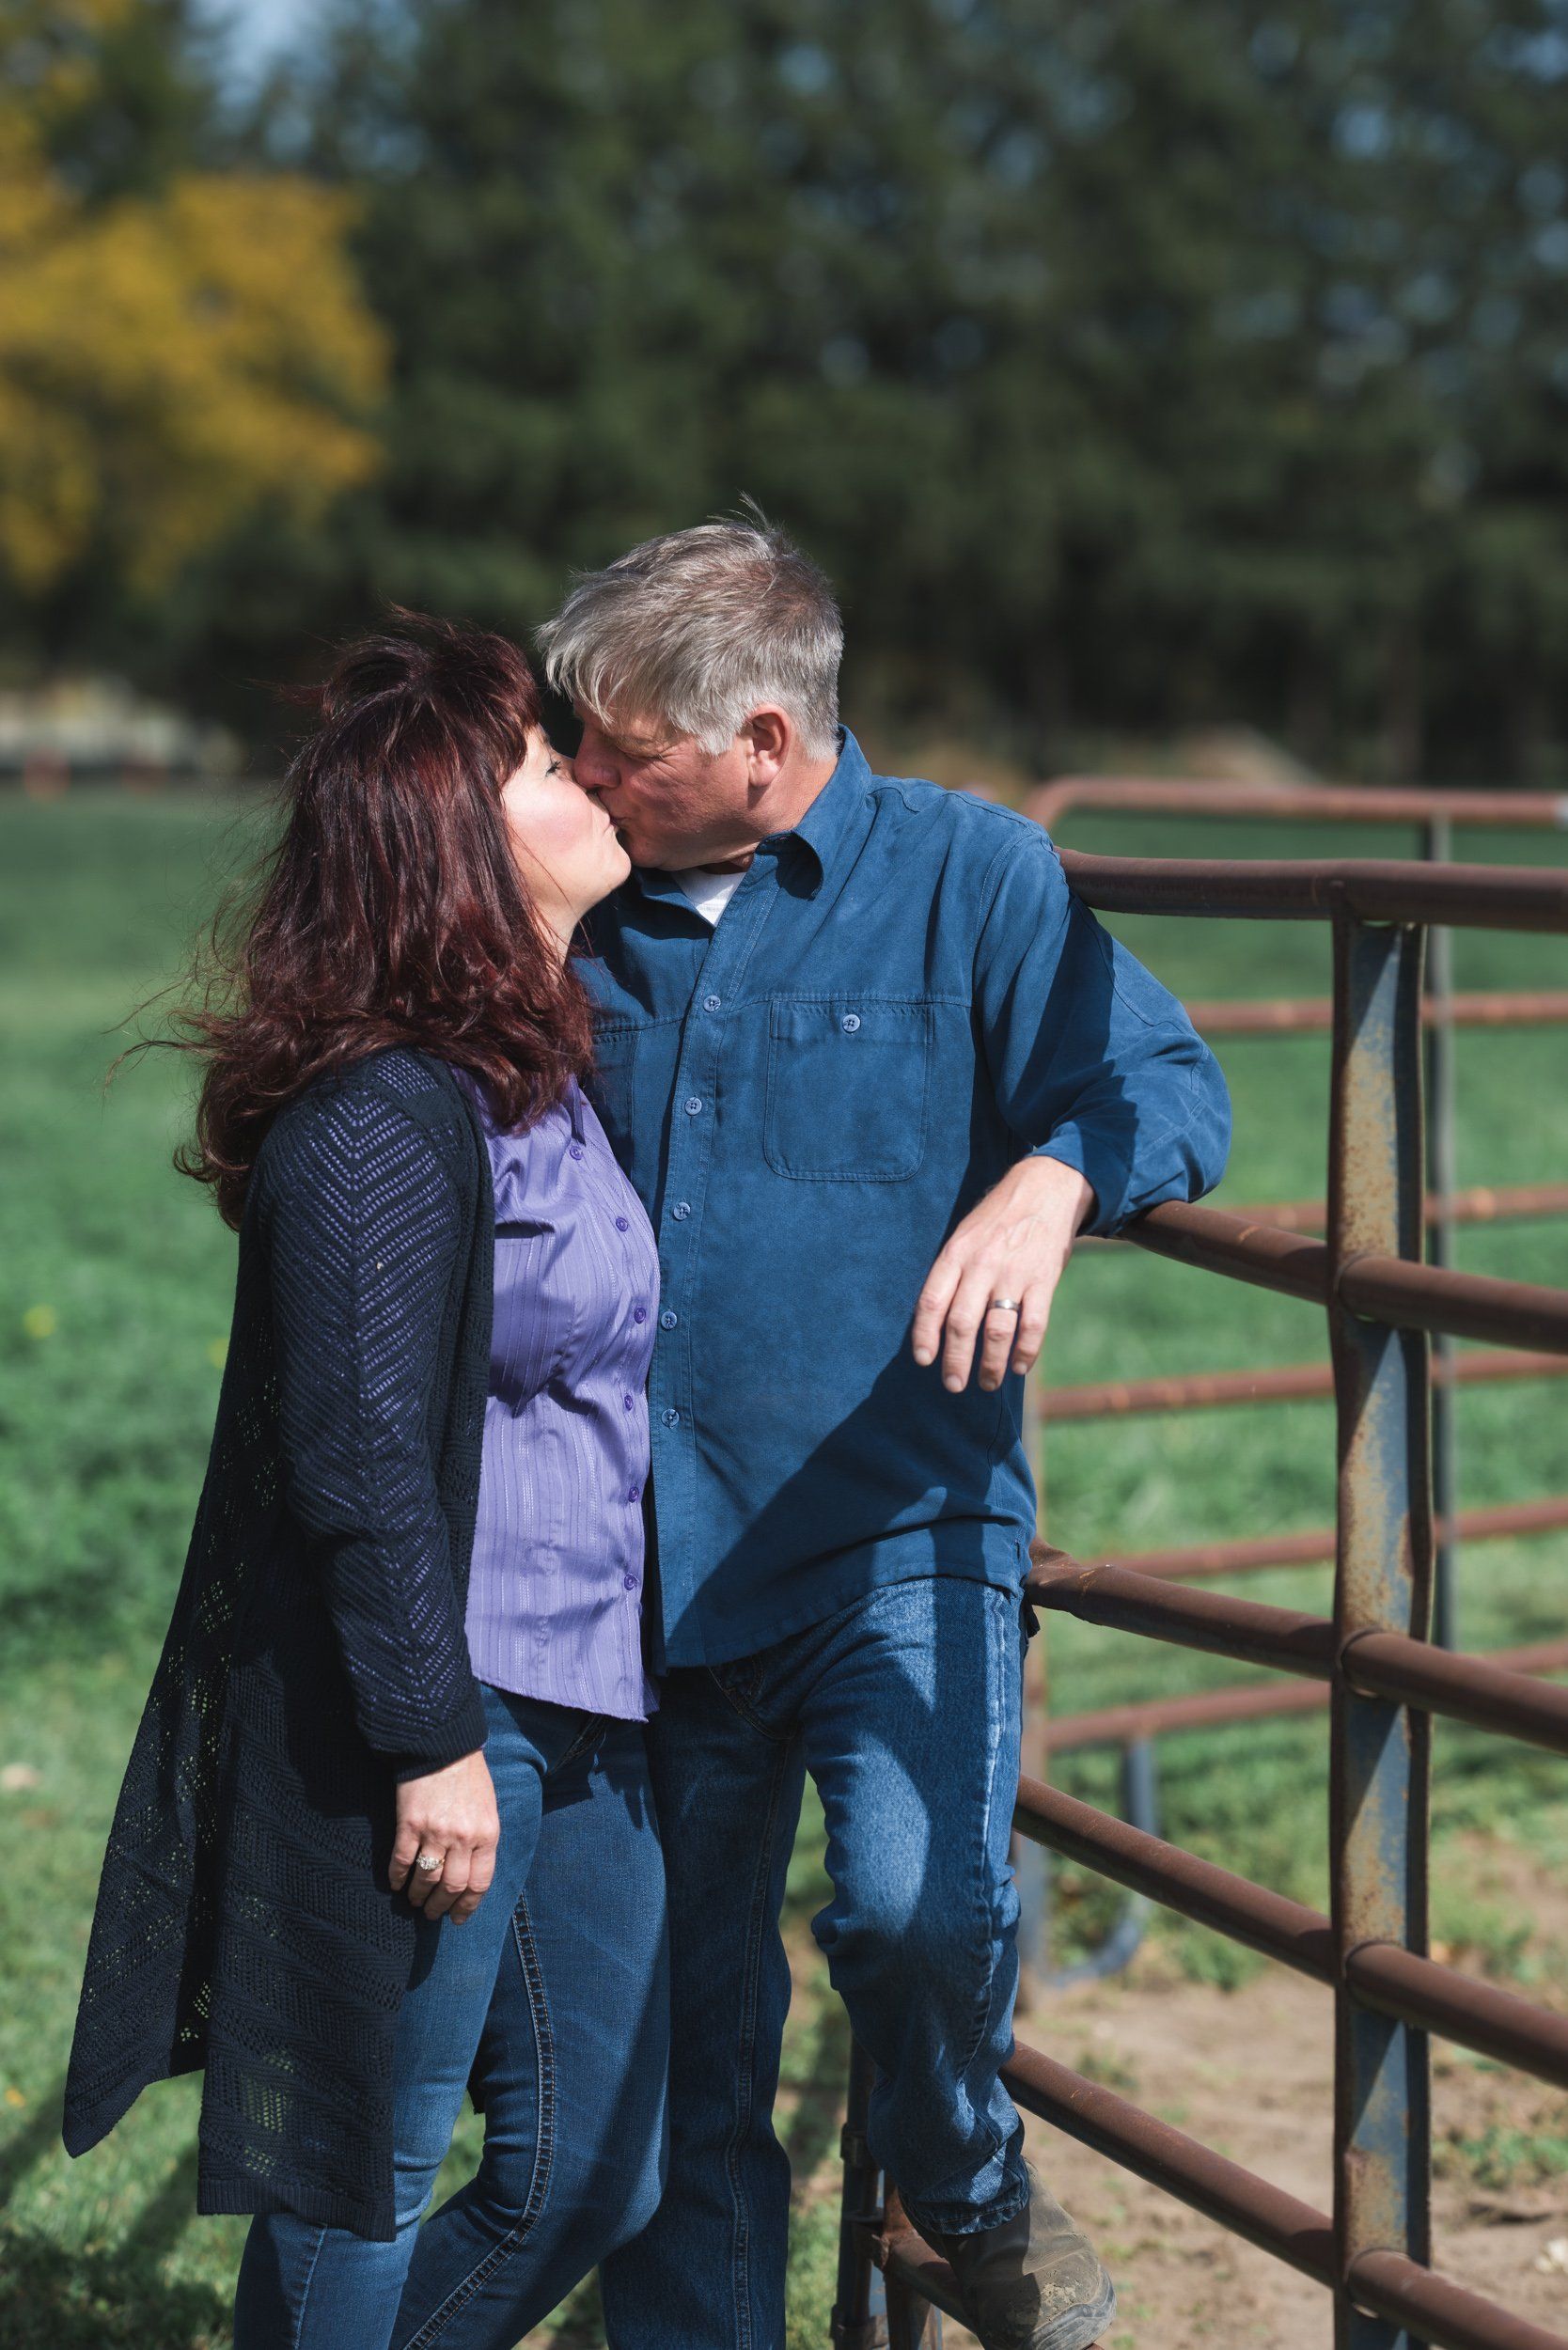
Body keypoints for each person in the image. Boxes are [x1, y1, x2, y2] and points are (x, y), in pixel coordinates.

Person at [538, 517, 1231, 2350]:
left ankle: (960, 2173)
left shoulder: (972, 875)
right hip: (631, 1557)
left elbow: (1165, 1081)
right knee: (678, 2050)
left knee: (921, 1902)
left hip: (892, 1526)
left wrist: (1054, 1178)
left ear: (764, 740)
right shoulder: (564, 902)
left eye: (627, 746)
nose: (584, 772)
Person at [61, 617, 668, 2350]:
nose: (590, 774)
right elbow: (353, 1458)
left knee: (591, 2170)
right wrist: (430, 1742)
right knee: (370, 2175)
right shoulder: (382, 1115)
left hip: (591, 1689)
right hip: (445, 1707)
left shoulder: (547, 1071)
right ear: (460, 844)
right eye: (549, 766)